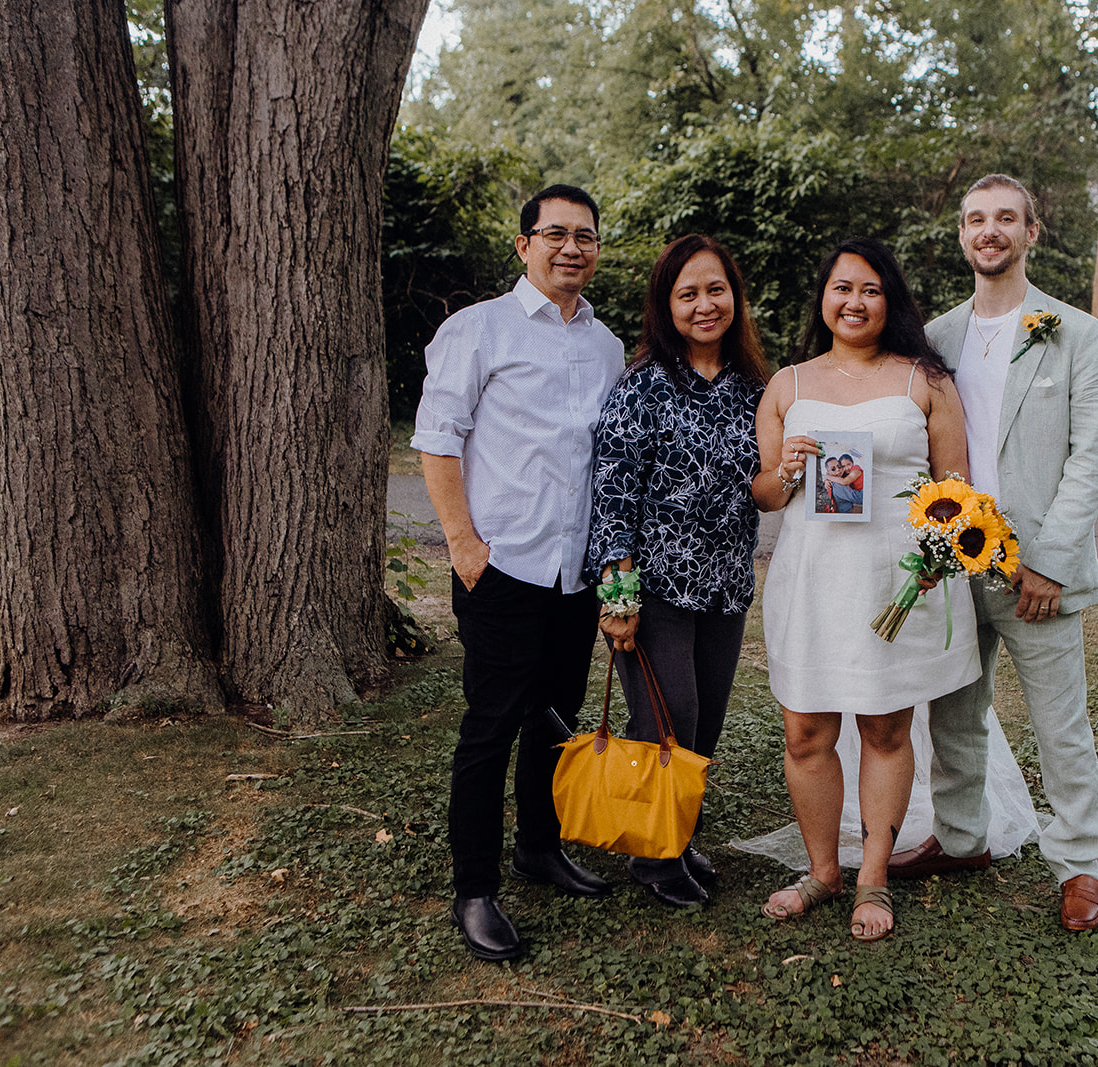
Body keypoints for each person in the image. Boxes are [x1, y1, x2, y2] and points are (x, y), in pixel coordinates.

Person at [887, 174, 1098, 933]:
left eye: (1006, 218)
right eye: (977, 219)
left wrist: (1050, 561)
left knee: (1060, 724)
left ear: (1031, 231)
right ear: (962, 234)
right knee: (953, 713)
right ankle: (960, 838)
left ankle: (1079, 864)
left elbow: (1088, 457)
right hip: (955, 562)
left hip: (1036, 572)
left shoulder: (1075, 331)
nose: (991, 230)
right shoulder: (938, 338)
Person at [411, 184, 625, 962]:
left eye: (586, 236)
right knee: (491, 726)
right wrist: (463, 545)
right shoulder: (478, 330)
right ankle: (475, 887)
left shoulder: (606, 347)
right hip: (500, 568)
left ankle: (540, 846)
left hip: (575, 575)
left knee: (556, 719)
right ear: (524, 244)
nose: (572, 248)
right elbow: (437, 439)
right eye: (556, 234)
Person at [752, 237, 977, 942]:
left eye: (871, 290)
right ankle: (823, 871)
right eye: (843, 288)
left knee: (885, 728)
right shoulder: (787, 385)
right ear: (823, 298)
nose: (855, 302)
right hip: (812, 580)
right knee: (805, 732)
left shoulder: (924, 382)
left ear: (891, 301)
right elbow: (765, 494)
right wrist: (788, 469)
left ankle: (873, 874)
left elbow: (958, 487)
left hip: (893, 582)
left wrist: (942, 554)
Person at [585, 234, 769, 909]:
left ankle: (676, 835)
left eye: (715, 289)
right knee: (669, 721)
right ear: (667, 305)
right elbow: (613, 496)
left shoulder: (755, 389)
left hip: (725, 587)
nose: (704, 304)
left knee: (705, 725)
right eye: (687, 293)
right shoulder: (643, 386)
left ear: (734, 297)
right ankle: (654, 858)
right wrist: (618, 598)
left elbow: (767, 480)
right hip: (655, 589)